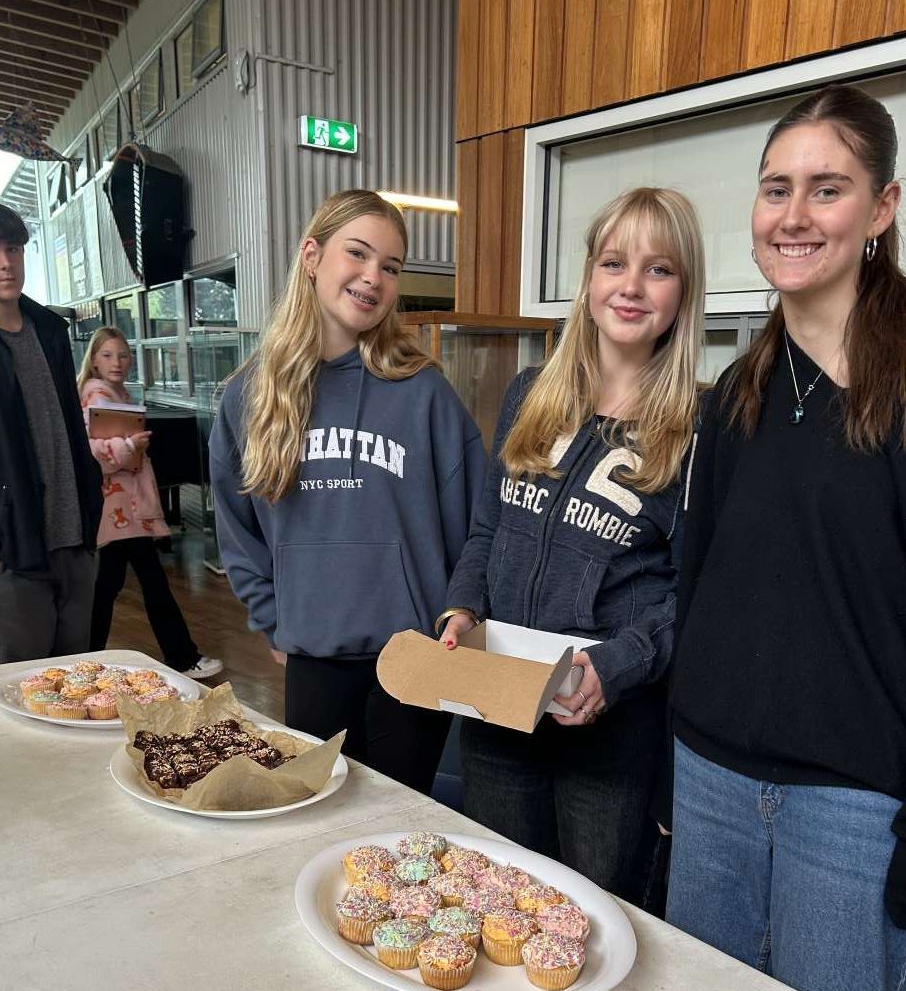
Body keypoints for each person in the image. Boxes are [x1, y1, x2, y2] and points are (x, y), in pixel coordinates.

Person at [666, 84, 906, 991]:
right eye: (776, 189)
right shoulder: (742, 384)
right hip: (712, 778)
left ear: (883, 207)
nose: (794, 215)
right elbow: (703, 586)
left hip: (857, 803)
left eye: (828, 188)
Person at [439, 187, 704, 902]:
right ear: (588, 278)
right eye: (614, 262)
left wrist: (617, 665)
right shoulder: (530, 394)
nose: (631, 286)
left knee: (585, 923)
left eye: (659, 269)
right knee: (495, 903)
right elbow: (489, 528)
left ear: (685, 291)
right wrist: (461, 609)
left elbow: (694, 595)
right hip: (496, 709)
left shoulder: (699, 428)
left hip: (606, 734)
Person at [209, 189, 486, 793]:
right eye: (357, 254)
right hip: (312, 653)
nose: (373, 278)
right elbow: (237, 532)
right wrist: (275, 620)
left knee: (403, 827)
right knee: (317, 811)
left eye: (390, 266)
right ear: (312, 255)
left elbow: (476, 525)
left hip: (413, 656)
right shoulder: (249, 398)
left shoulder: (424, 394)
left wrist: (458, 615)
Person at [0, 199, 102, 662]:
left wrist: (90, 506)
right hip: (12, 552)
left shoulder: (50, 330)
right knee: (23, 687)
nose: (6, 262)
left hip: (74, 539)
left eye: (13, 248)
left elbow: (69, 427)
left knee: (75, 676)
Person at [78, 327, 222, 679]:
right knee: (136, 585)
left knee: (116, 586)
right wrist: (132, 447)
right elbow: (96, 454)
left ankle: (83, 661)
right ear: (94, 360)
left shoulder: (116, 394)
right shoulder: (96, 397)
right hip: (118, 511)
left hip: (124, 511)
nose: (118, 362)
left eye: (123, 355)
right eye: (108, 355)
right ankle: (181, 657)